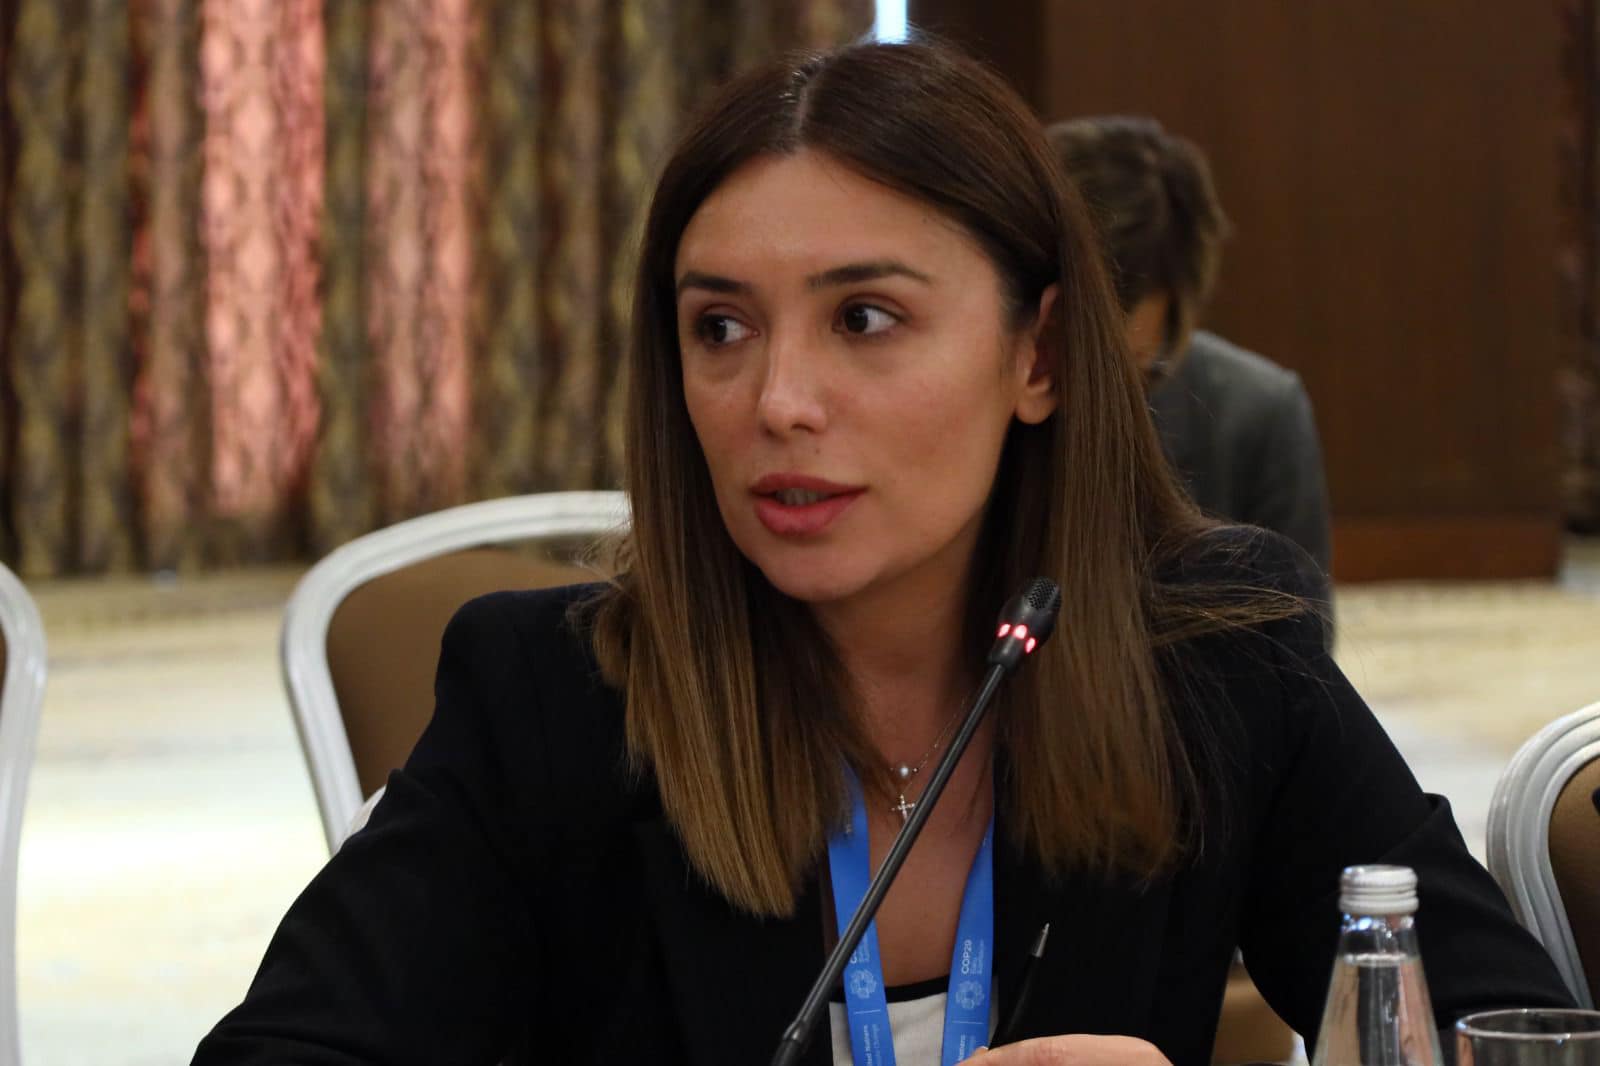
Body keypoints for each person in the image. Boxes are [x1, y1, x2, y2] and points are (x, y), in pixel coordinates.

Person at [192, 39, 1570, 1066]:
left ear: (1038, 356)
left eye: (863, 318)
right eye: (720, 327)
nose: (778, 399)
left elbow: (1510, 1033)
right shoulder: (549, 699)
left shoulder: (1219, 661)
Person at [1046, 116, 1334, 611]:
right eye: (1064, 361)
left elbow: (1298, 640)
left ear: (1179, 304)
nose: (1089, 398)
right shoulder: (973, 396)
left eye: (1128, 374)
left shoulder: (1256, 414)